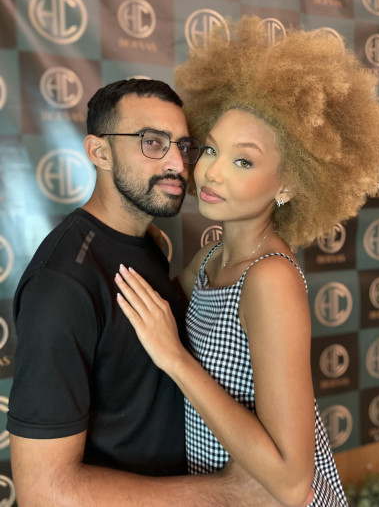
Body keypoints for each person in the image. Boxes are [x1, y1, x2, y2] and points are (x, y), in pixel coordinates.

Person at [113, 17, 379, 507]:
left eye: (243, 161)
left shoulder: (270, 278)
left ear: (288, 183)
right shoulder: (210, 259)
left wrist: (176, 360)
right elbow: (157, 306)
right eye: (210, 149)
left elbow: (291, 482)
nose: (212, 172)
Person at [7, 78, 283, 506]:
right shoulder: (61, 285)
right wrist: (229, 493)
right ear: (99, 152)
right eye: (152, 142)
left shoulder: (146, 243)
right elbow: (43, 493)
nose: (177, 163)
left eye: (184, 146)